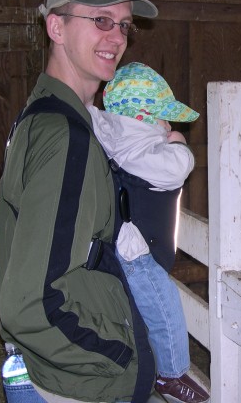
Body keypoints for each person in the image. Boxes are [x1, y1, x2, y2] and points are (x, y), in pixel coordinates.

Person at [0, 0, 163, 403]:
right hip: (78, 387)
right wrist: (122, 356)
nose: (118, 37)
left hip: (51, 374)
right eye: (101, 21)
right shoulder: (65, 136)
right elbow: (30, 305)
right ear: (56, 26)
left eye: (124, 25)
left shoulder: (43, 113)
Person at [87, 61, 209, 403]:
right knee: (164, 306)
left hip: (116, 248)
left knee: (137, 317)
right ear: (143, 118)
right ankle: (171, 375)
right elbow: (179, 168)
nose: (168, 124)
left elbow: (91, 113)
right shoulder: (147, 153)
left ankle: (145, 367)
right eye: (163, 117)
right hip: (138, 255)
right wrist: (178, 143)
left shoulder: (110, 135)